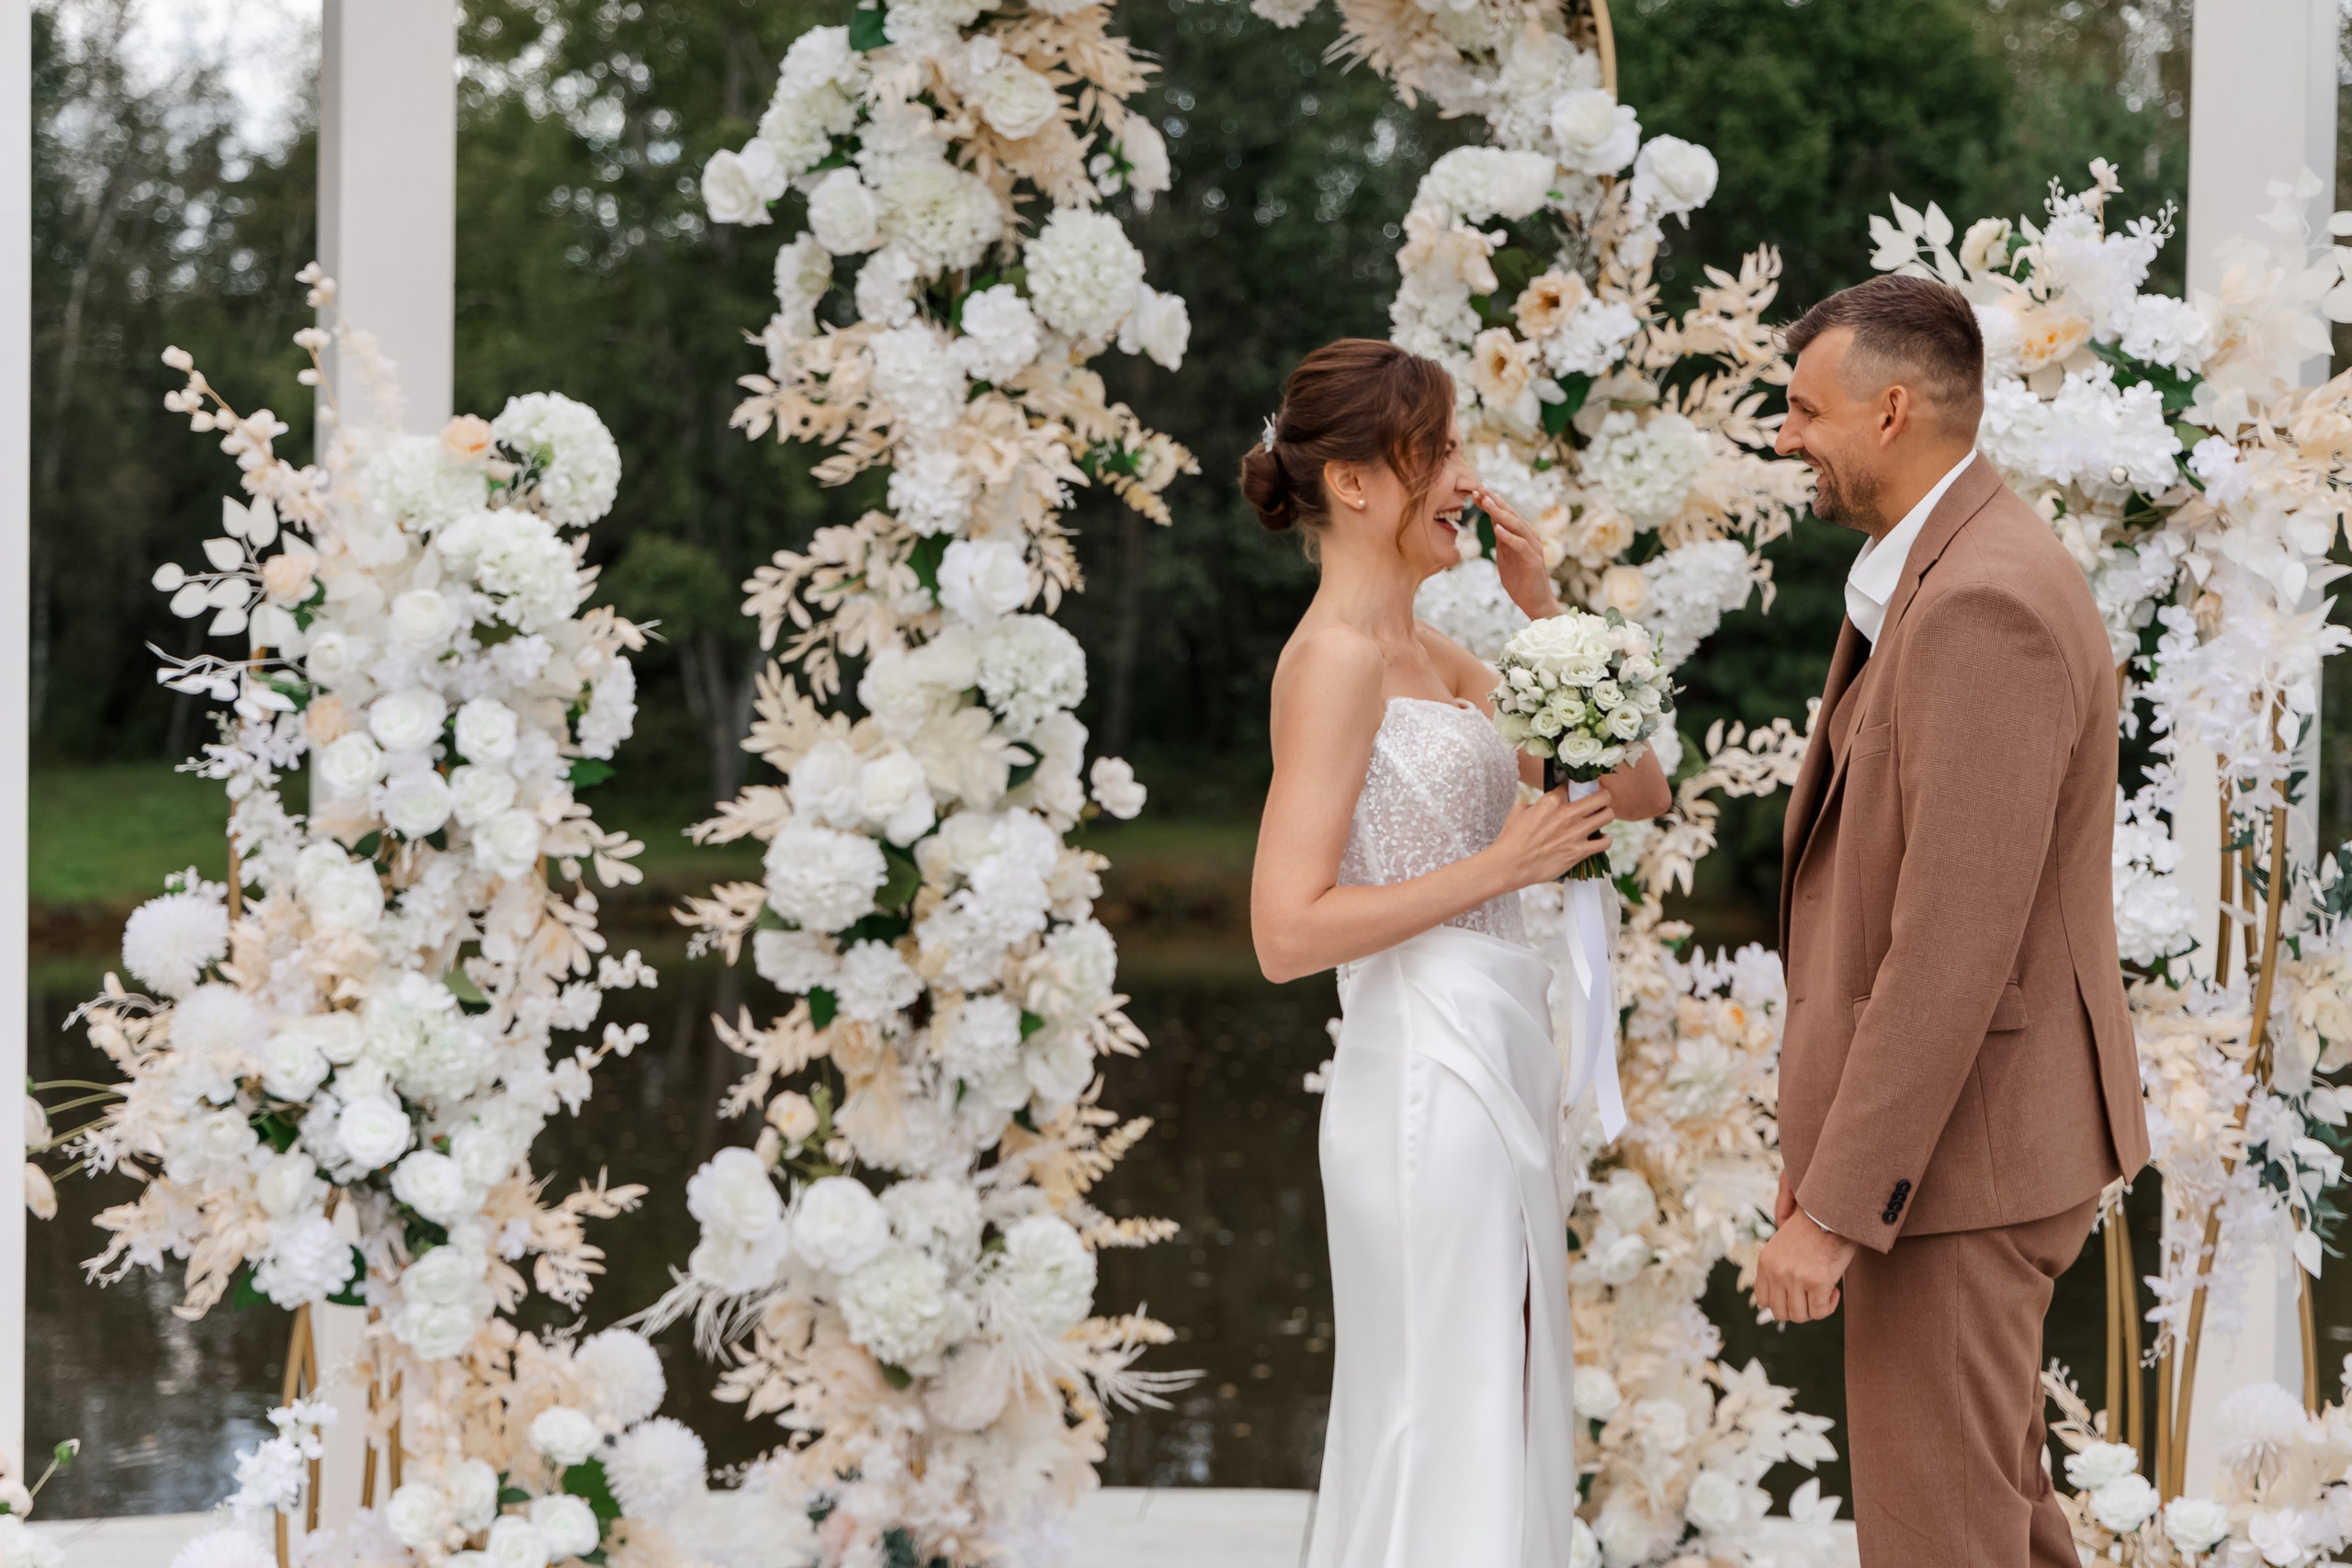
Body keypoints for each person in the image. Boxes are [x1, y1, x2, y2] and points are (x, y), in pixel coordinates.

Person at [1244, 337, 1670, 1568]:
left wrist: (1551, 612)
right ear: (1356, 485)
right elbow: (1285, 931)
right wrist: (1498, 869)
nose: (1463, 477)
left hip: (1499, 1052)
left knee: (1503, 1391)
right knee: (1449, 1403)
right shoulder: (1332, 663)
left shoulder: (1446, 658)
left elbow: (1630, 790)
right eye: (1435, 450)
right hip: (1422, 1071)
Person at [1750, 275, 2151, 1567]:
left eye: (1804, 408)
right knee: (1993, 1519)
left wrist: (1839, 1205)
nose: (1782, 434)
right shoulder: (1938, 569)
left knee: (1942, 1539)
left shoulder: (1984, 602)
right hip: (1961, 1146)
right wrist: (1824, 1147)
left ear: (1892, 411)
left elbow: (1951, 949)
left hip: (1962, 1163)